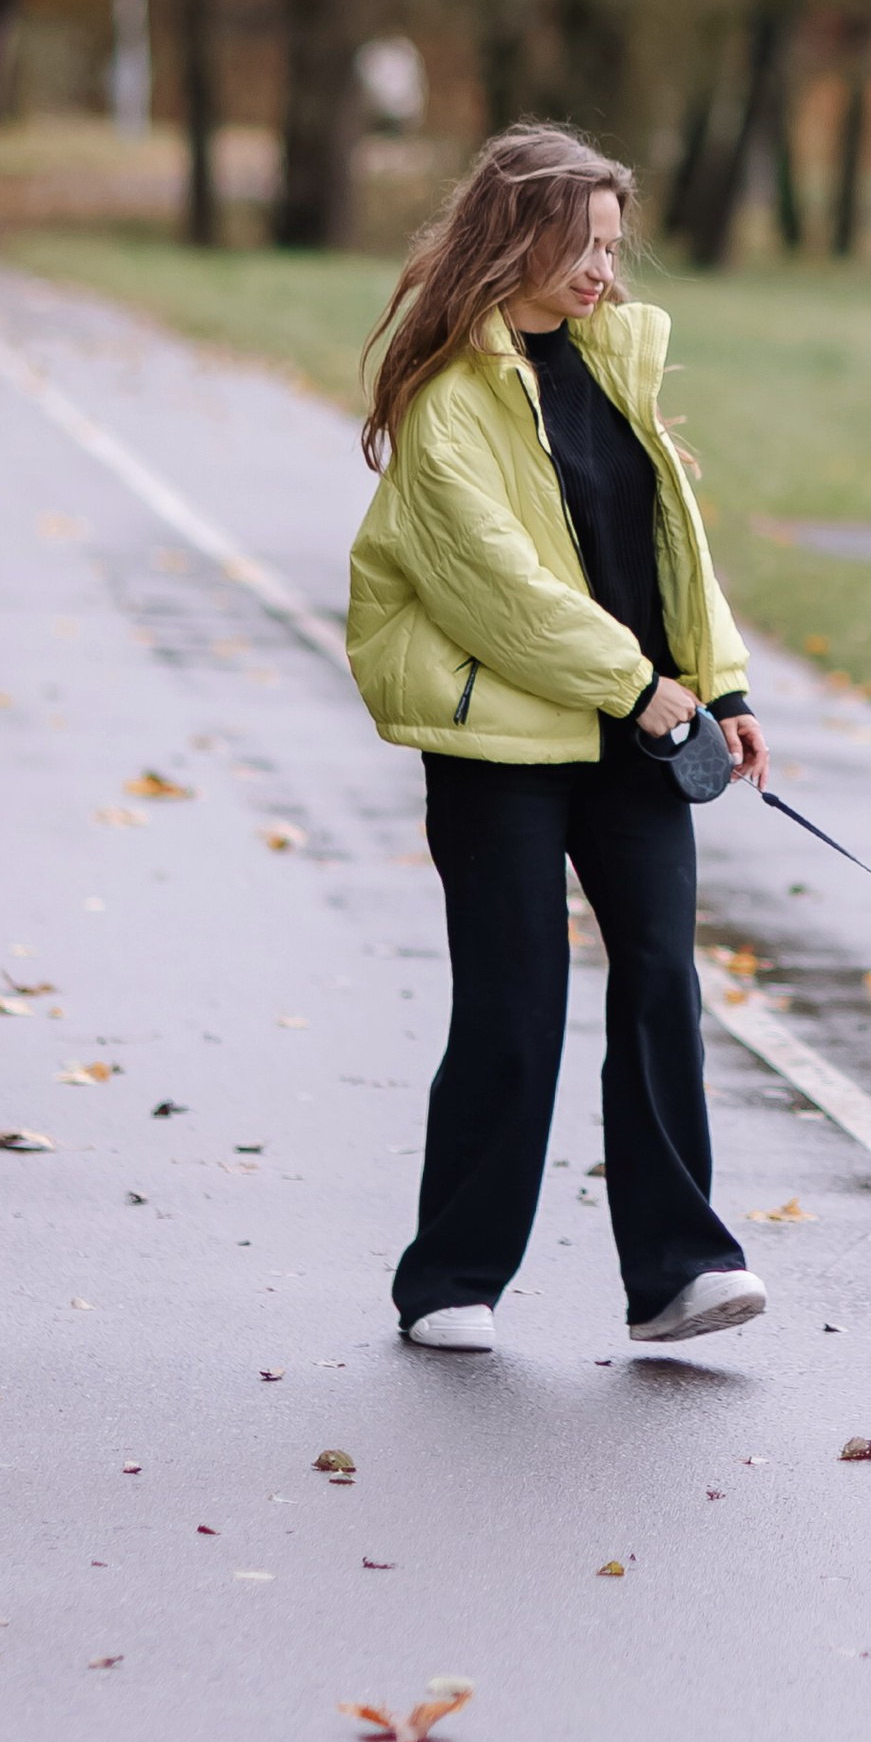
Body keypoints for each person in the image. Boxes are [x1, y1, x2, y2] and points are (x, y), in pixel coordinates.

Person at [347, 119, 770, 1357]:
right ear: (514, 237)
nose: (602, 270)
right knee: (515, 1003)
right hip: (501, 745)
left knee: (659, 989)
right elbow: (499, 593)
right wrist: (644, 690)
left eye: (612, 246)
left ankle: (680, 1273)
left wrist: (723, 690)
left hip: (636, 723)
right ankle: (451, 1278)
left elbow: (670, 546)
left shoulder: (611, 364)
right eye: (582, 244)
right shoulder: (446, 405)